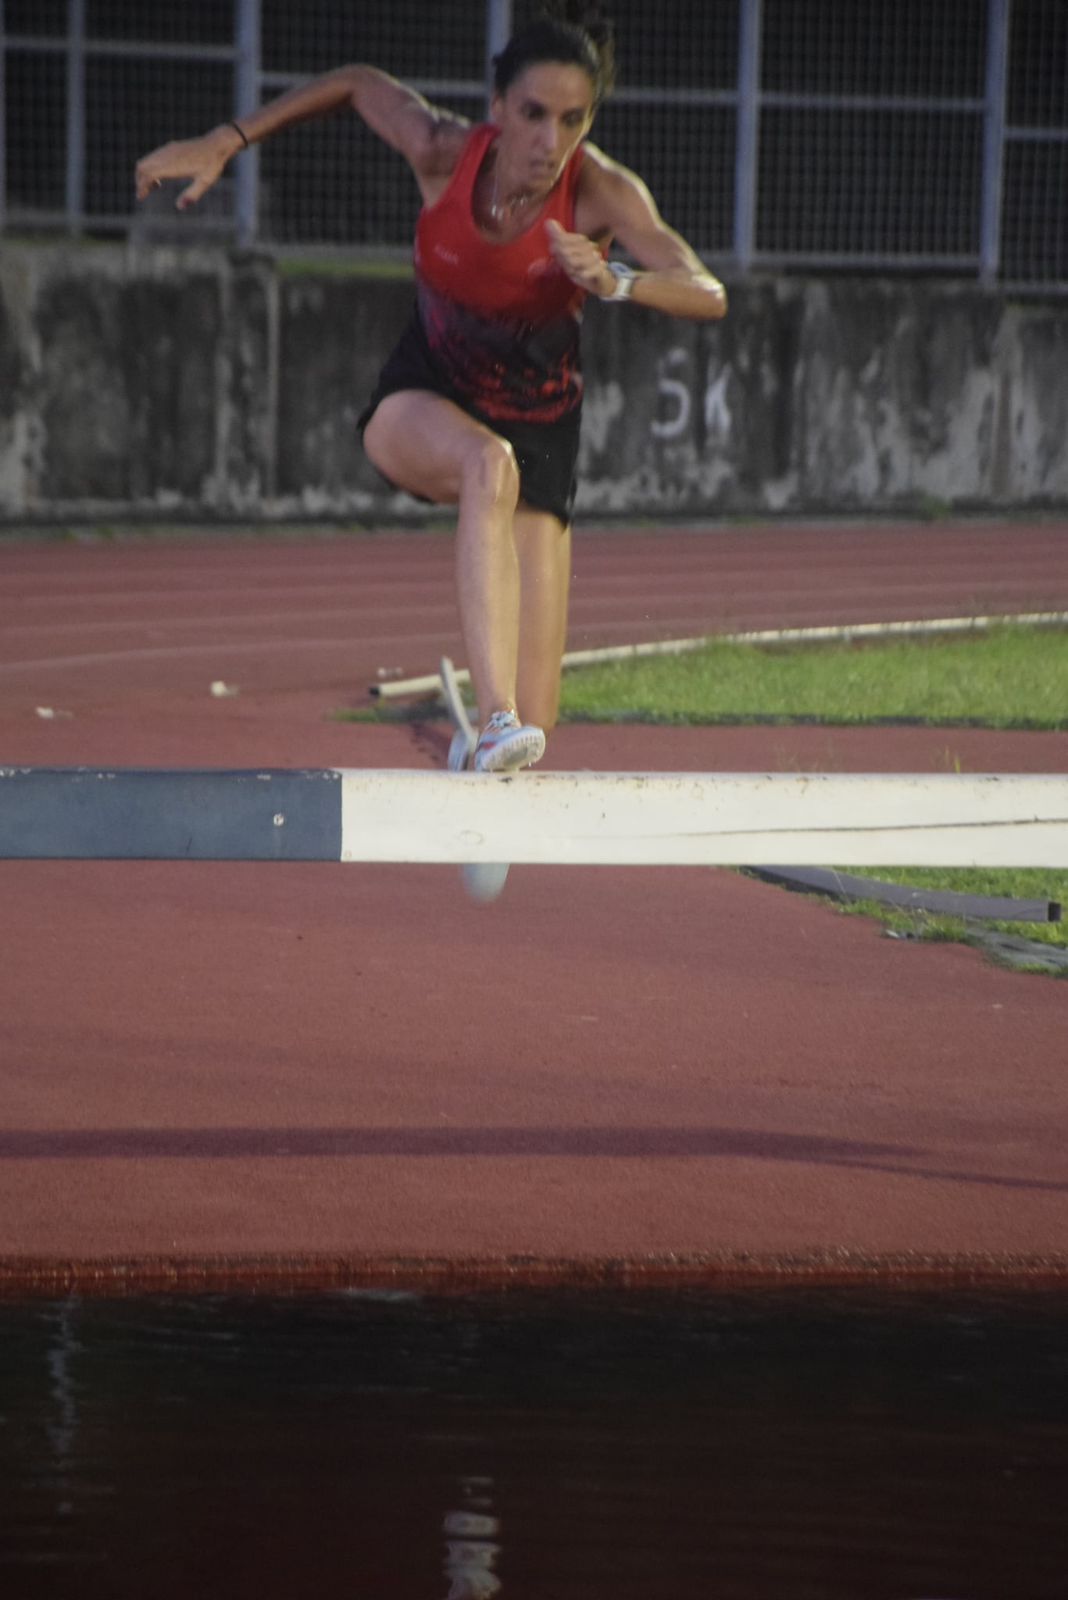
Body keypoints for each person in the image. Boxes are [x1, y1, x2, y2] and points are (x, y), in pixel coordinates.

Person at [135, 2, 726, 775]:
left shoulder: (601, 192)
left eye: (573, 120)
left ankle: (490, 735)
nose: (551, 142)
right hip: (426, 400)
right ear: (498, 109)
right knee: (488, 466)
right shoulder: (442, 152)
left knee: (541, 726)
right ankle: (492, 720)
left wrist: (615, 279)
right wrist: (228, 139)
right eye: (534, 114)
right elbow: (355, 82)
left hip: (541, 429)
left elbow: (707, 292)